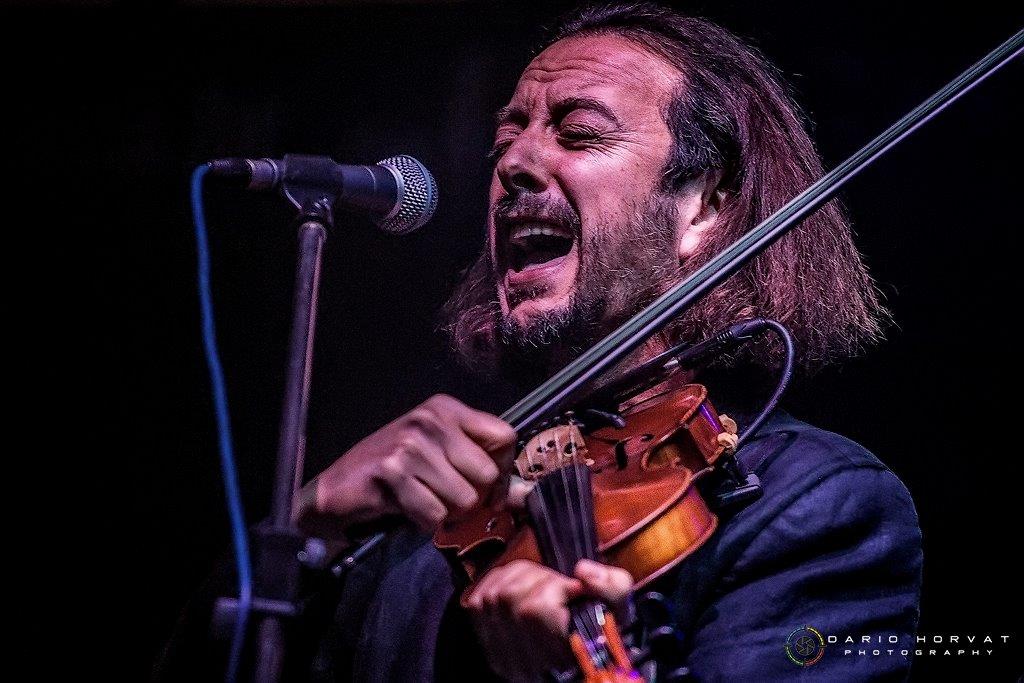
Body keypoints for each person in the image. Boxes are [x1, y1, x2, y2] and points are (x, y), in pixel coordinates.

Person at [160, 3, 923, 681]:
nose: (515, 165)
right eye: (505, 141)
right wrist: (310, 521)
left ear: (705, 205)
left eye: (579, 133)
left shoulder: (814, 502)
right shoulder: (430, 511)